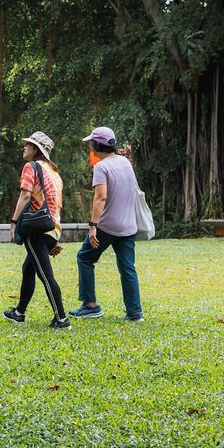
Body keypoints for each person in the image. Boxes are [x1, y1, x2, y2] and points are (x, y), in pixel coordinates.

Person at [70, 126, 143, 321]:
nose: (90, 146)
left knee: (85, 257)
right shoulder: (125, 162)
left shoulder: (101, 167)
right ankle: (135, 312)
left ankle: (90, 305)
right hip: (128, 225)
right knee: (128, 267)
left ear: (97, 144)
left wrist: (93, 226)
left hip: (108, 225)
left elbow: (100, 198)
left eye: (91, 143)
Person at [3, 131, 71, 330]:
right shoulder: (54, 172)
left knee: (45, 274)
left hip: (36, 228)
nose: (25, 147)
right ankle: (19, 312)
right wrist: (54, 237)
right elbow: (55, 204)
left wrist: (14, 221)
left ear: (36, 149)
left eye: (28, 144)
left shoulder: (30, 167)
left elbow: (25, 195)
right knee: (28, 269)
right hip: (52, 228)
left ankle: (61, 319)